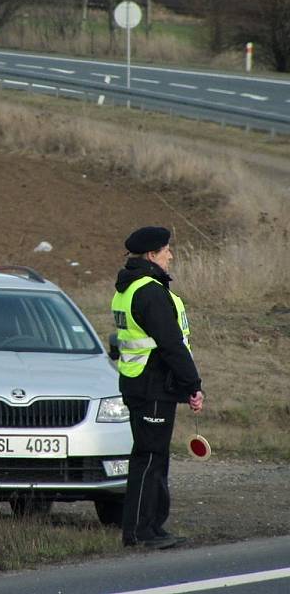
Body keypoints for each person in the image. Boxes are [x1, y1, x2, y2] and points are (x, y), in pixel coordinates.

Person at [111, 226, 204, 550]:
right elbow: (171, 344)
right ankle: (139, 531)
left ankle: (152, 526)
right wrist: (193, 385)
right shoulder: (149, 291)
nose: (171, 254)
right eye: (166, 250)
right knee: (149, 458)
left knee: (153, 456)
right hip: (151, 384)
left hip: (144, 382)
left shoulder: (129, 288)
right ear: (152, 255)